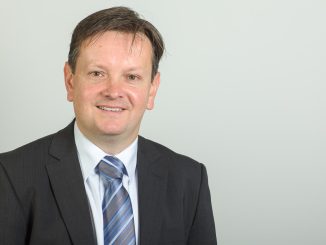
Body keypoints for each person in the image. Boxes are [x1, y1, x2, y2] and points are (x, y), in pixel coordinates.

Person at [0, 6, 217, 245]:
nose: (114, 92)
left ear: (152, 89)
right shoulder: (10, 176)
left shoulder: (188, 180)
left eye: (132, 77)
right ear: (70, 81)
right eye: (97, 73)